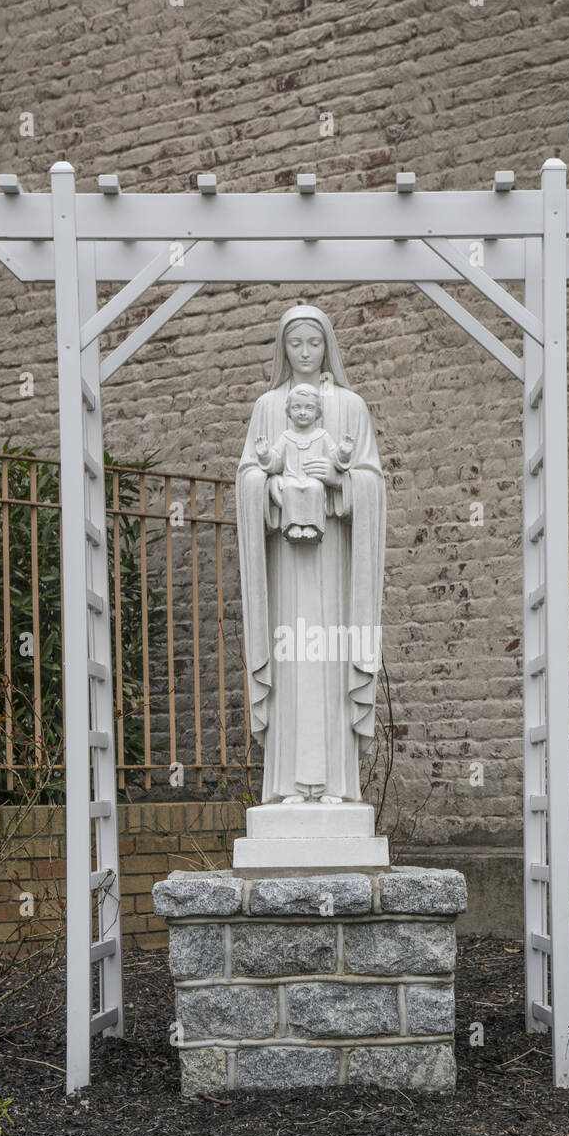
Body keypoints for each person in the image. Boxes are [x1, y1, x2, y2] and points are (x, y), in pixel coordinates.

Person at [236, 306, 386, 805]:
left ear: (328, 347)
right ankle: (284, 787)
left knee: (328, 658)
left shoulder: (351, 406)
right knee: (291, 662)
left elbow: (373, 483)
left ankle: (338, 787)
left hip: (336, 566)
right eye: (295, 344)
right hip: (284, 566)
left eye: (313, 343)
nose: (304, 353)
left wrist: (340, 481)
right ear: (283, 348)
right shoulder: (266, 406)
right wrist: (271, 489)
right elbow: (247, 477)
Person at [254, 383, 354, 544]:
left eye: (308, 408)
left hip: (314, 479)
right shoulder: (286, 437)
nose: (302, 412)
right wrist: (265, 455)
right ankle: (292, 525)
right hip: (291, 478)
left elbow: (335, 459)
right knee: (290, 488)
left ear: (317, 412)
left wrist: (344, 452)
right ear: (289, 411)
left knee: (314, 488)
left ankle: (312, 525)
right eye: (296, 407)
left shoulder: (322, 436)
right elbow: (276, 462)